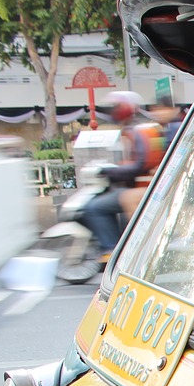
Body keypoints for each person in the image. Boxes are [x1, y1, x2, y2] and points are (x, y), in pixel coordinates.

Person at [77, 91, 165, 261]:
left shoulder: (139, 131)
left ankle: (111, 249)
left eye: (115, 107)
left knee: (94, 208)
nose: (113, 112)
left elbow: (140, 164)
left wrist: (108, 171)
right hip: (143, 187)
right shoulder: (138, 129)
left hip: (142, 189)